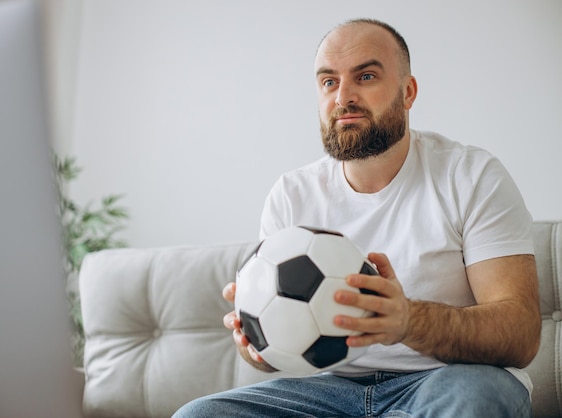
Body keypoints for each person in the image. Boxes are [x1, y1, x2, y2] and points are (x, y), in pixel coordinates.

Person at [173, 18, 541, 417]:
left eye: (365, 76)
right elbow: (273, 358)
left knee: (472, 402)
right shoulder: (291, 194)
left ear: (408, 92)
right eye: (329, 82)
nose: (343, 97)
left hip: (449, 380)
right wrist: (258, 342)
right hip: (328, 391)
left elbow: (520, 334)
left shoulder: (471, 175)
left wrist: (409, 322)